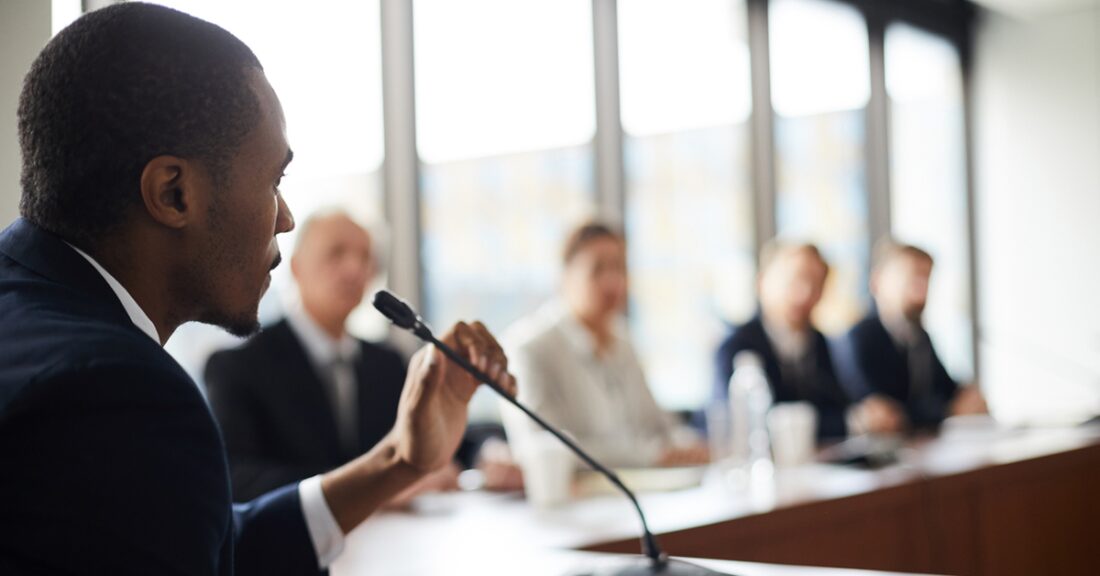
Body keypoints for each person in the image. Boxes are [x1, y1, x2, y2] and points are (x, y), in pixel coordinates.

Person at [0, 4, 514, 575]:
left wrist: (399, 460)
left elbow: (207, 544)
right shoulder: (116, 389)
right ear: (174, 194)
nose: (285, 218)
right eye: (274, 180)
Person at [205, 210, 521, 502]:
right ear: (297, 267)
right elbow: (236, 478)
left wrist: (488, 452)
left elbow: (443, 436)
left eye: (365, 257)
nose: (355, 268)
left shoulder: (385, 363)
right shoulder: (238, 367)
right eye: (337, 253)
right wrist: (380, 485)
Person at [502, 222, 708, 469]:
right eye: (597, 269)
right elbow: (542, 448)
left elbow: (659, 425)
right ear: (566, 275)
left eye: (620, 267)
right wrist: (649, 455)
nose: (613, 282)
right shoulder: (529, 348)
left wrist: (685, 446)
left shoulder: (623, 341)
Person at [834, 240, 986, 433]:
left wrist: (967, 397)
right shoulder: (858, 339)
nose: (920, 292)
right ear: (877, 282)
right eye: (911, 279)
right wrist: (948, 410)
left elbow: (946, 388)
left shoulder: (919, 336)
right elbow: (886, 413)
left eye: (926, 279)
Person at [713, 241, 854, 441]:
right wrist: (847, 422)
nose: (805, 293)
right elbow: (750, 425)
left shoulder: (817, 341)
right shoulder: (736, 346)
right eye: (794, 281)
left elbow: (837, 405)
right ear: (761, 282)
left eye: (816, 284)